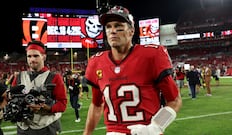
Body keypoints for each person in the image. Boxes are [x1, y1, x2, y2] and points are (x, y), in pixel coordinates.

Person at [83, 5, 182, 135]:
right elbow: (96, 105)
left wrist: (154, 127)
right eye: (108, 27)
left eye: (118, 26)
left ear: (131, 31)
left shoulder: (151, 55)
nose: (112, 31)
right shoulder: (96, 62)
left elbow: (174, 100)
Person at [11, 40, 67, 135]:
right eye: (29, 56)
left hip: (46, 127)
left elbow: (62, 104)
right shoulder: (19, 76)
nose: (32, 59)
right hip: (22, 127)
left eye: (36, 56)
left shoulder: (55, 77)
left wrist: (45, 107)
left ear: (43, 57)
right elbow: (12, 98)